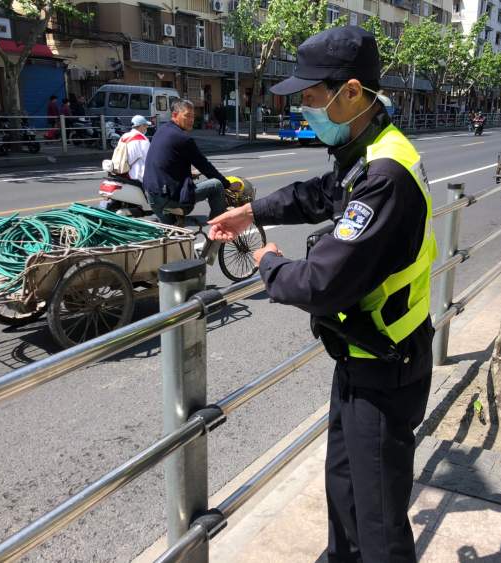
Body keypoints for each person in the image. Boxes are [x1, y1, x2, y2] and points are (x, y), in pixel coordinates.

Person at [208, 26, 435, 563]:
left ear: (350, 92)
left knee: (378, 522)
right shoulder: (369, 148)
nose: (304, 109)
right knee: (345, 489)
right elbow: (320, 194)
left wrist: (268, 263)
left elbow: (321, 284)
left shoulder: (385, 175)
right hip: (361, 358)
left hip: (384, 366)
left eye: (310, 99)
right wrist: (252, 212)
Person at [142, 99, 232, 224]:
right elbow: (205, 166)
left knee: (174, 237)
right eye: (187, 116)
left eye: (193, 116)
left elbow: (167, 162)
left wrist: (189, 174)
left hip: (152, 195)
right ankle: (217, 230)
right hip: (168, 198)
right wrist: (227, 185)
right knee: (216, 185)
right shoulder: (183, 139)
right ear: (174, 115)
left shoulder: (161, 130)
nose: (191, 120)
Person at [112, 115, 151, 182]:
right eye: (145, 125)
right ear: (141, 126)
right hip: (138, 176)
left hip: (123, 172)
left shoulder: (124, 136)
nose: (146, 127)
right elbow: (150, 158)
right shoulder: (143, 140)